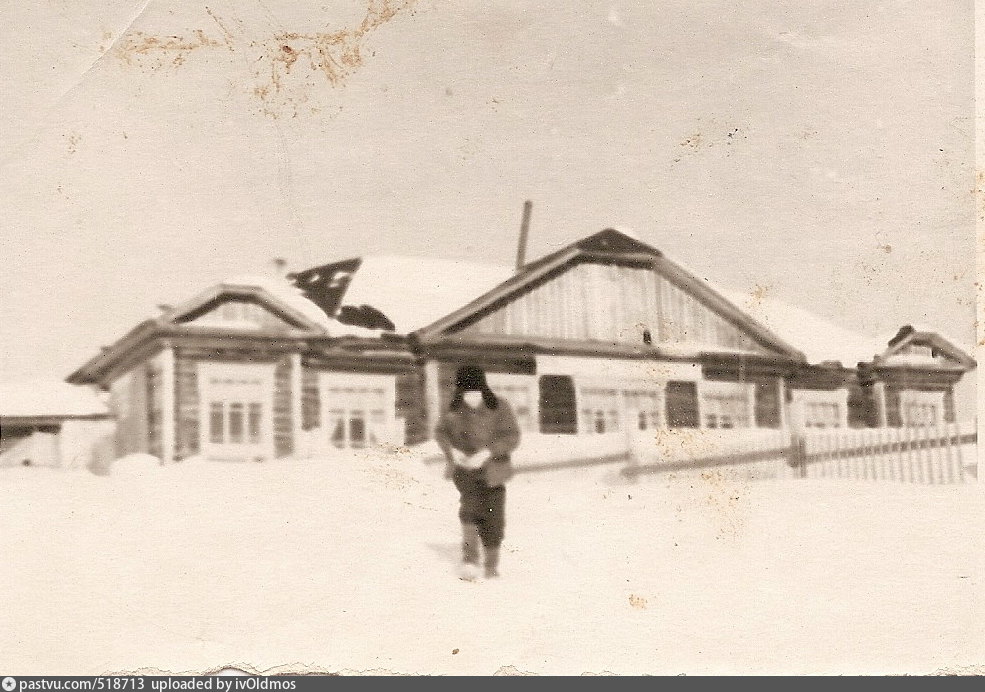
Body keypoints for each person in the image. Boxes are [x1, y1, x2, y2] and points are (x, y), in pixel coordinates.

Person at [434, 365, 521, 579]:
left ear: (483, 387)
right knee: (470, 509)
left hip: (494, 470)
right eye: (466, 390)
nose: (471, 396)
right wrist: (452, 452)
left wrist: (487, 452)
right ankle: (470, 560)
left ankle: (491, 565)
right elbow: (441, 432)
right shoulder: (453, 407)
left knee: (494, 517)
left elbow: (511, 436)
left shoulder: (499, 406)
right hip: (465, 470)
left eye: (476, 390)